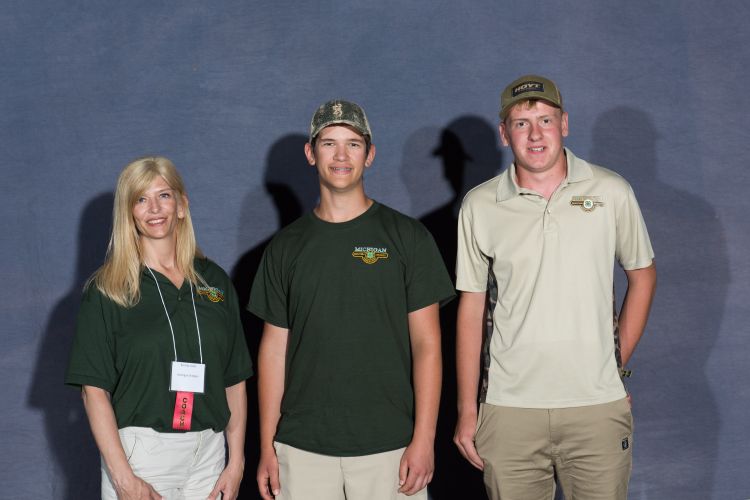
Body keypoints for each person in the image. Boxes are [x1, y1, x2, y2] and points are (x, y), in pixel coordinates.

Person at [453, 75, 657, 499]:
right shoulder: (479, 205)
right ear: (504, 133)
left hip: (596, 406)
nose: (535, 133)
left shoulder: (611, 191)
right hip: (509, 410)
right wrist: (466, 409)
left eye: (545, 120)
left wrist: (613, 367)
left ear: (564, 124)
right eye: (521, 123)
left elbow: (642, 275)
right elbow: (471, 311)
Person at [249, 100, 455, 500]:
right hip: (301, 447)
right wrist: (268, 446)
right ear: (311, 154)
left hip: (390, 447)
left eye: (353, 144)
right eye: (328, 143)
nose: (341, 155)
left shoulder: (407, 238)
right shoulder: (285, 247)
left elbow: (428, 345)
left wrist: (425, 439)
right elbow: (274, 351)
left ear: (370, 154)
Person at [65, 156, 253, 500]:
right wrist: (124, 479)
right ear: (129, 212)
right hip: (142, 457)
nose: (154, 208)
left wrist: (236, 461)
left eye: (164, 196)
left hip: (208, 456)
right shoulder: (109, 289)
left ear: (182, 205)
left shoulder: (215, 282)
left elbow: (234, 379)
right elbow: (93, 392)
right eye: (141, 199)